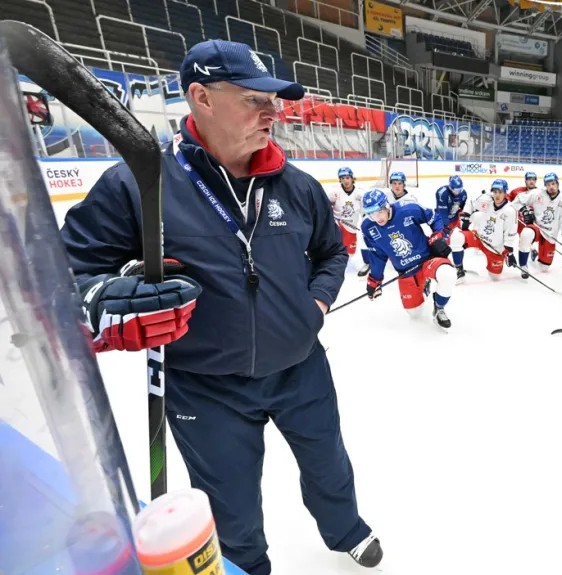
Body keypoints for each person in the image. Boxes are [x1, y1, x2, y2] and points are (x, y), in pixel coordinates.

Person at [59, 40, 382, 574]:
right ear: (201, 97)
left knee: (328, 463)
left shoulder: (296, 187)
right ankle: (246, 566)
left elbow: (331, 252)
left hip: (301, 366)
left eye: (274, 100)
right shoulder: (139, 184)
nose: (273, 112)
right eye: (255, 99)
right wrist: (104, 299)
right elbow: (67, 273)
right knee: (228, 496)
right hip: (203, 385)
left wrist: (316, 305)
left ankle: (345, 529)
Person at [361, 189, 456, 330]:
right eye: (372, 214)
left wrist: (438, 236)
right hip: (406, 271)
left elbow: (434, 217)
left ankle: (439, 308)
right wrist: (375, 279)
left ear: (386, 205)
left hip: (427, 260)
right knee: (415, 313)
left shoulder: (408, 208)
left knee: (448, 274)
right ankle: (423, 286)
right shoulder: (368, 227)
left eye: (379, 212)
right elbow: (378, 255)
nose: (377, 218)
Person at [449, 179, 518, 280]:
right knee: (456, 238)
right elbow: (471, 201)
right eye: (495, 192)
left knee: (495, 277)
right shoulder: (486, 200)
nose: (497, 195)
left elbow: (511, 232)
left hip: (495, 247)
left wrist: (508, 252)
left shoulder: (510, 211)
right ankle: (459, 270)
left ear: (505, 193)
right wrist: (466, 214)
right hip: (479, 237)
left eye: (500, 192)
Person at [511, 172, 562, 278]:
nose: (551, 187)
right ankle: (523, 266)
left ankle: (536, 255)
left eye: (553, 184)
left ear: (557, 184)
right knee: (525, 234)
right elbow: (515, 202)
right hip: (537, 228)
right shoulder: (536, 194)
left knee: (544, 268)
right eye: (548, 185)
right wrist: (524, 211)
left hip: (551, 234)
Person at [330, 166, 373, 277]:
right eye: (342, 178)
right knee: (335, 246)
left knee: (350, 252)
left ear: (352, 178)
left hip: (351, 226)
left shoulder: (360, 193)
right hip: (337, 223)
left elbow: (366, 210)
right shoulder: (335, 193)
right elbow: (325, 205)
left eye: (347, 177)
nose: (345, 180)